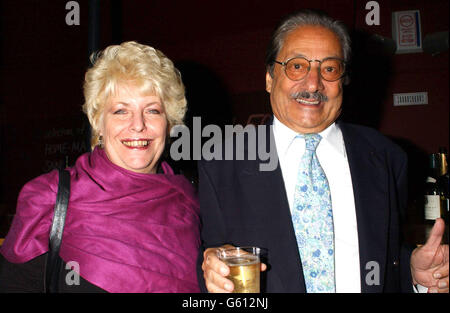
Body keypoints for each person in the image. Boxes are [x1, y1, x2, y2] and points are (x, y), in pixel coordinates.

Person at [198, 10, 449, 293]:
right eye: (297, 66)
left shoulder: (387, 158)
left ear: (343, 80)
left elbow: (384, 260)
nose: (314, 83)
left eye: (329, 68)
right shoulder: (221, 163)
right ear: (269, 78)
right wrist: (210, 273)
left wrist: (413, 272)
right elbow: (206, 260)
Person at [0, 41, 201, 293]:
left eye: (152, 110)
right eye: (120, 111)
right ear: (98, 122)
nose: (138, 125)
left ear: (168, 122)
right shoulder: (49, 199)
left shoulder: (189, 203)